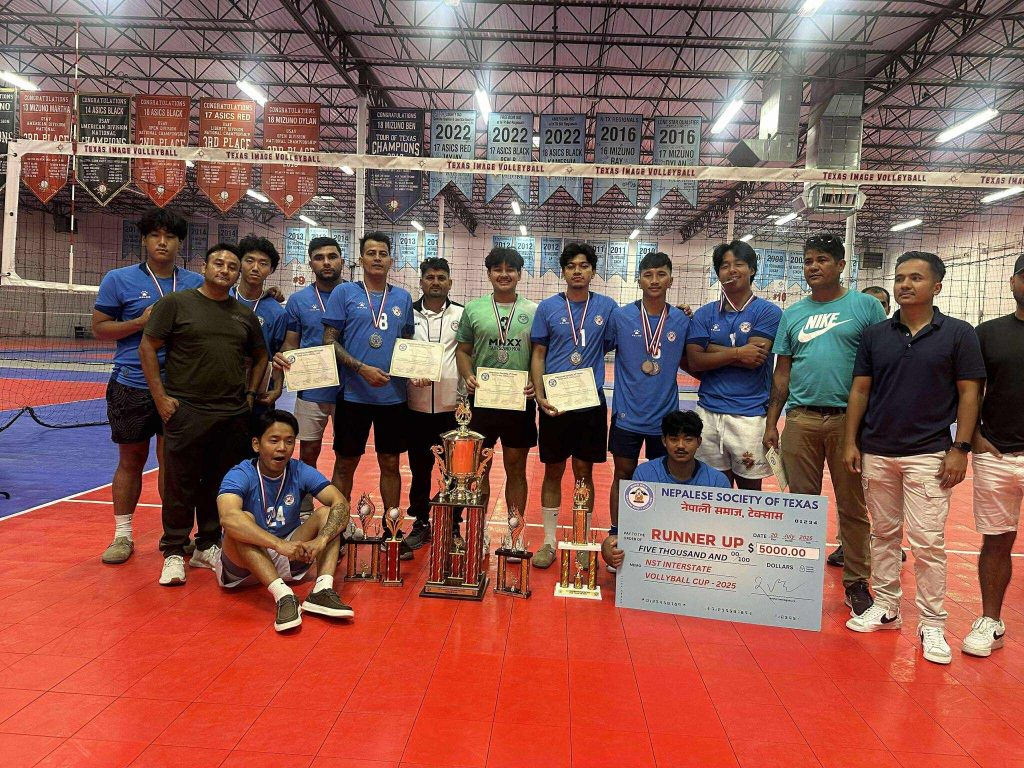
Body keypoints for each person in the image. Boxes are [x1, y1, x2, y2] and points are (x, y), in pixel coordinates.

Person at [843, 251, 984, 664]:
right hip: (877, 451)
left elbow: (970, 394)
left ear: (936, 286)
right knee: (884, 535)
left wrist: (961, 448)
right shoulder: (875, 335)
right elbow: (860, 390)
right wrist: (851, 441)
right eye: (901, 277)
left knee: (928, 542)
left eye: (916, 278)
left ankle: (932, 623)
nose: (906, 284)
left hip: (929, 454)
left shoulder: (958, 334)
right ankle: (887, 607)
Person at [763, 232, 886, 617]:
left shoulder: (866, 307)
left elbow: (882, 364)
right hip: (801, 418)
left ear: (841, 265)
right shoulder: (793, 314)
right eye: (808, 260)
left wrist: (874, 422)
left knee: (853, 505)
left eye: (822, 260)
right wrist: (772, 422)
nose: (813, 267)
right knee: (800, 505)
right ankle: (796, 579)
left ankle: (857, 583)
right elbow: (782, 372)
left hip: (849, 422)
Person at [140, 243, 268, 586]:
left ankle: (207, 544)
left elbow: (260, 355)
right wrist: (160, 398)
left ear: (237, 274)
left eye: (231, 266)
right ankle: (173, 550)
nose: (224, 270)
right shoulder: (175, 304)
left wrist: (250, 394)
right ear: (205, 267)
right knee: (180, 482)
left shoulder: (243, 314)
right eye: (218, 263)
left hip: (231, 413)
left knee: (219, 483)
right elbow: (147, 347)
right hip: (187, 411)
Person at [92, 207, 203, 564]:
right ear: (144, 240)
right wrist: (140, 322)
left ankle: (174, 535)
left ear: (180, 243)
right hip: (132, 385)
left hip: (180, 389)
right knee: (131, 460)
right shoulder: (118, 279)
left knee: (173, 464)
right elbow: (100, 328)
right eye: (155, 235)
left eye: (170, 236)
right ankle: (122, 535)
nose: (162, 242)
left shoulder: (195, 283)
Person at [217, 409, 353, 632]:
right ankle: (283, 596)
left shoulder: (299, 470)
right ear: (256, 444)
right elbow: (228, 518)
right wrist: (279, 544)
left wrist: (320, 541)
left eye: (289, 441)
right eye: (274, 440)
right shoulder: (240, 473)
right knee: (241, 521)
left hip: (291, 555)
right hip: (245, 565)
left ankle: (322, 590)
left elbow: (341, 503)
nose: (282, 447)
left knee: (329, 513)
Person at [530, 243, 618, 568]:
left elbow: (611, 343)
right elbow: (539, 354)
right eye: (571, 266)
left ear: (593, 271)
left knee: (584, 472)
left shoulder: (607, 307)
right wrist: (540, 394)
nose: (577, 271)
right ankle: (549, 542)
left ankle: (581, 539)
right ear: (563, 271)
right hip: (555, 403)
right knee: (552, 470)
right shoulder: (548, 308)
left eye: (583, 265)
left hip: (589, 402)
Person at [607, 251, 690, 570]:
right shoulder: (621, 317)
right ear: (638, 280)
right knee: (623, 475)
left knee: (663, 480)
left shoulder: (682, 319)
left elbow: (693, 357)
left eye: (661, 274)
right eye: (648, 275)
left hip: (665, 419)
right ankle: (617, 535)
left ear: (671, 279)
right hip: (627, 415)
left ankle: (657, 542)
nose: (654, 281)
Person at [321, 232, 414, 511]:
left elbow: (408, 344)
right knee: (345, 462)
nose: (377, 258)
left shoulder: (403, 297)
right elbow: (329, 340)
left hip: (393, 397)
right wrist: (361, 369)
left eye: (383, 254)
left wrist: (416, 369)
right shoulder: (344, 292)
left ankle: (391, 527)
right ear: (361, 259)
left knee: (391, 462)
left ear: (391, 261)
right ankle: (339, 526)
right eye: (371, 253)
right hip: (353, 395)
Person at [963, 256, 1024, 657]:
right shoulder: (987, 334)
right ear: (1013, 281)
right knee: (997, 541)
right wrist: (973, 437)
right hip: (997, 454)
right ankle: (991, 621)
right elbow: (969, 391)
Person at [686, 241, 782, 491]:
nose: (731, 270)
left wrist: (709, 348)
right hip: (708, 413)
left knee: (750, 492)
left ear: (752, 269)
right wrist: (739, 351)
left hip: (749, 415)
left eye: (738, 264)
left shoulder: (768, 312)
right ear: (718, 273)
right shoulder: (705, 313)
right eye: (724, 266)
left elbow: (755, 359)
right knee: (712, 490)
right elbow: (695, 360)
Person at [456, 247, 537, 524]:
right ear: (489, 274)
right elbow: (463, 350)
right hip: (482, 401)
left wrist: (535, 382)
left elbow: (540, 354)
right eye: (498, 269)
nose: (504, 274)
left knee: (516, 468)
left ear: (519, 274)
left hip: (519, 401)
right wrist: (468, 375)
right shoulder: (473, 309)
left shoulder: (533, 311)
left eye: (510, 269)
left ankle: (515, 533)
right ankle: (478, 532)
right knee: (479, 469)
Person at [601, 410, 731, 570]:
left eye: (688, 439)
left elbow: (723, 533)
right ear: (664, 441)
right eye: (674, 439)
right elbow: (635, 523)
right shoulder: (645, 474)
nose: (681, 446)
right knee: (608, 544)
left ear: (699, 442)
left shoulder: (718, 482)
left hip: (700, 556)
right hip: (655, 551)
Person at [275, 237, 345, 510]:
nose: (326, 262)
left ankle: (339, 510)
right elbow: (291, 343)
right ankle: (304, 508)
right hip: (311, 388)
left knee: (345, 455)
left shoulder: (354, 294)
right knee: (308, 452)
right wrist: (283, 359)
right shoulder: (298, 300)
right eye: (319, 257)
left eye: (332, 256)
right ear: (311, 263)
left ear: (342, 260)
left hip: (348, 390)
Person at [402, 258, 465, 556]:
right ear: (421, 282)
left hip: (453, 409)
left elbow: (468, 354)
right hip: (415, 408)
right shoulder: (407, 314)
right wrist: (407, 373)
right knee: (420, 469)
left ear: (450, 282)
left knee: (454, 472)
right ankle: (421, 522)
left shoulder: (462, 314)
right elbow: (399, 352)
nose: (435, 282)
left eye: (441, 277)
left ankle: (452, 524)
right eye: (430, 277)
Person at [234, 235, 290, 415]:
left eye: (263, 263)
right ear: (240, 263)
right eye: (249, 260)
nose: (255, 267)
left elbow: (278, 356)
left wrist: (278, 388)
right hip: (218, 389)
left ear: (271, 269)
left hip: (259, 392)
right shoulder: (222, 298)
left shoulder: (277, 313)